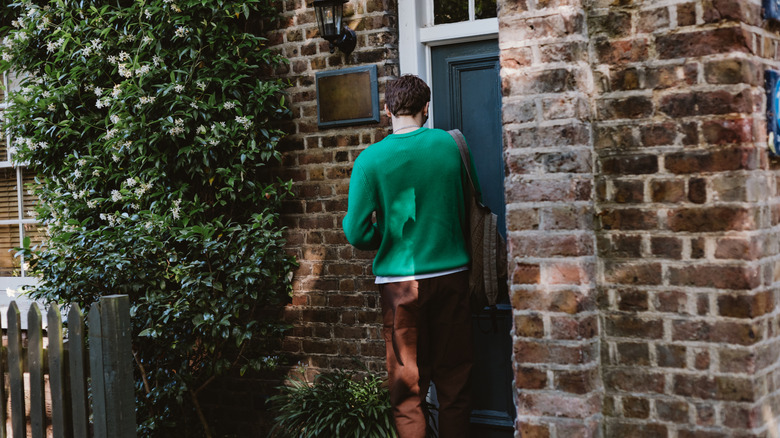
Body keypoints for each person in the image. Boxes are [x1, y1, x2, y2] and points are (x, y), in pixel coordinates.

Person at [342, 75, 479, 438]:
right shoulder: (452, 146)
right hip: (452, 277)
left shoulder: (370, 160)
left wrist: (384, 236)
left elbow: (356, 232)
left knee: (407, 390)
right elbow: (471, 204)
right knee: (455, 382)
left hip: (399, 288)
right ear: (426, 108)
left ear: (387, 111)